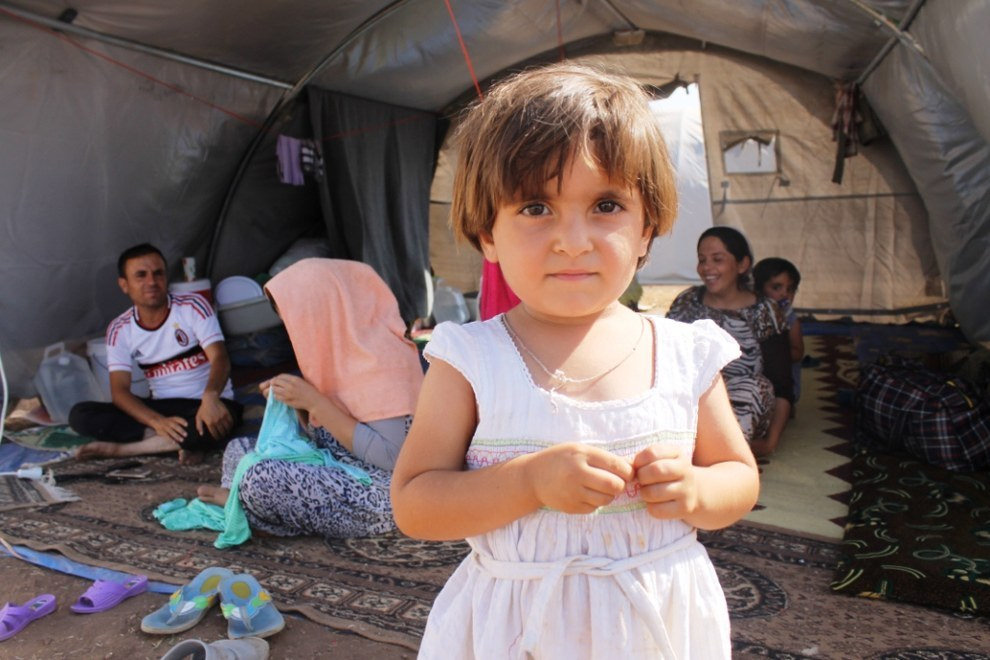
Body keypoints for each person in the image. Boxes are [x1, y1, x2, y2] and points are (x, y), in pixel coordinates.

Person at [390, 63, 759, 658]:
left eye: (606, 205)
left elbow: (739, 479)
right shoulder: (472, 360)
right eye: (536, 208)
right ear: (487, 234)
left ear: (649, 229)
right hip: (516, 632)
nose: (573, 240)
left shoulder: (685, 354)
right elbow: (415, 503)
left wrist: (694, 490)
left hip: (653, 627)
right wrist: (529, 482)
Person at [197, 258, 424, 539]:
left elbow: (393, 458)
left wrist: (315, 402)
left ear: (326, 312)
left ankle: (243, 504)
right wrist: (295, 404)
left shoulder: (385, 362)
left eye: (298, 321)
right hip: (335, 466)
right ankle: (244, 503)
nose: (294, 332)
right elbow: (321, 438)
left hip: (383, 493)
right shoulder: (333, 355)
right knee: (239, 450)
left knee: (260, 478)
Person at [69, 243, 242, 464]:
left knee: (216, 422)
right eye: (141, 276)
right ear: (124, 285)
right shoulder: (120, 329)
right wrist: (157, 422)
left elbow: (220, 358)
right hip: (165, 408)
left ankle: (124, 450)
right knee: (81, 415)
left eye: (158, 273)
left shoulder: (193, 306)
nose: (151, 282)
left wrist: (210, 398)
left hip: (210, 401)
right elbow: (120, 392)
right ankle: (176, 440)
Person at [666, 227, 793, 456]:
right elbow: (665, 360)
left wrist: (770, 443)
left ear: (742, 265)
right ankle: (694, 450)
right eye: (702, 260)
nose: (707, 268)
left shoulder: (764, 311)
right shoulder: (687, 302)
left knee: (754, 386)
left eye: (717, 259)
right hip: (696, 399)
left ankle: (722, 455)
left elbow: (783, 385)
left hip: (745, 400)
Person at [754, 257, 804, 406]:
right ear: (759, 290)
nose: (784, 294)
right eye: (776, 288)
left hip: (782, 387)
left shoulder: (790, 318)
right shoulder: (752, 314)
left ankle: (785, 406)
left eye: (790, 289)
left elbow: (797, 353)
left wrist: (771, 354)